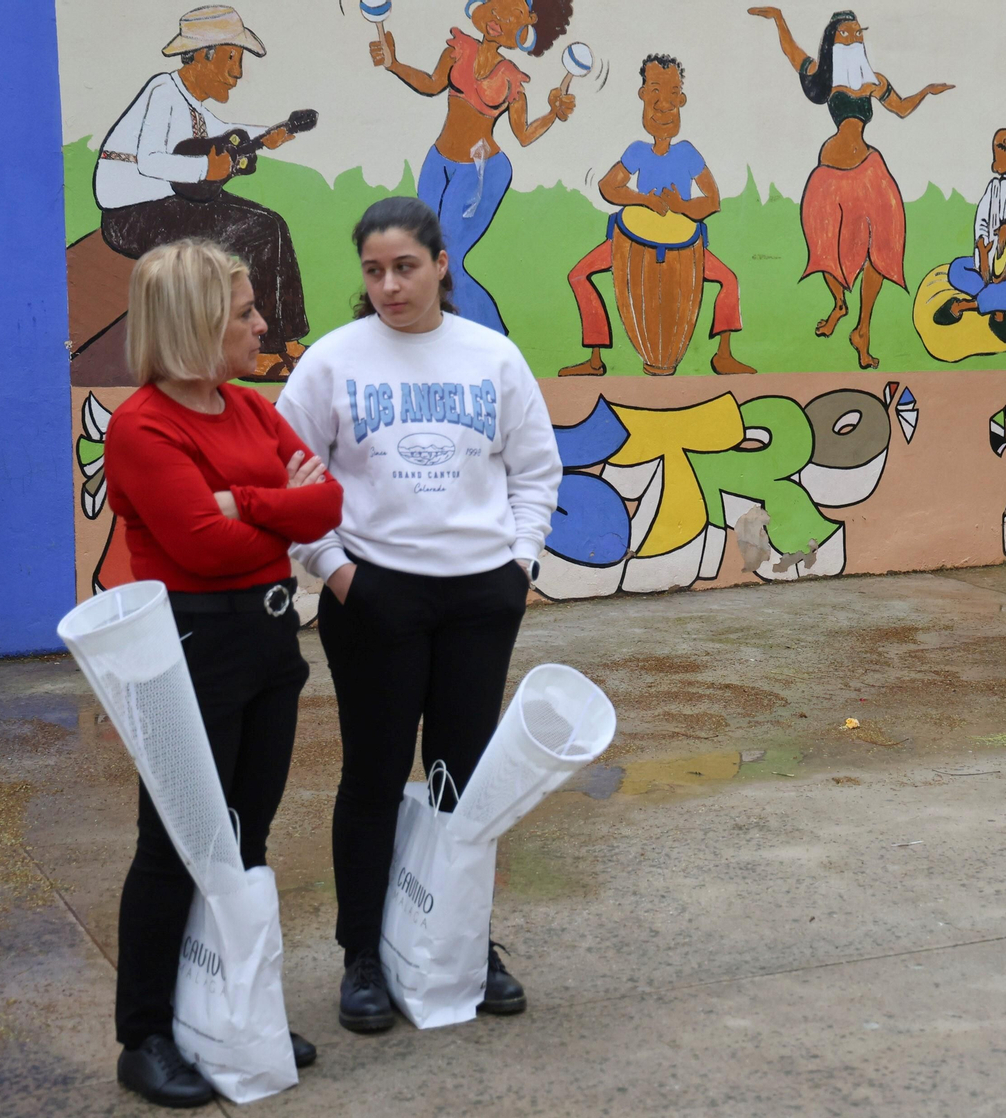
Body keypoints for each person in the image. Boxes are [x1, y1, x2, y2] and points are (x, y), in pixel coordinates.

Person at [277, 197, 562, 1032]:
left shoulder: (493, 357)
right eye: (374, 271)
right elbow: (286, 483)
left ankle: (463, 944)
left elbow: (536, 470)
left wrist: (520, 565)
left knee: (461, 781)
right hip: (374, 596)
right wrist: (336, 573)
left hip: (480, 596)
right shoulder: (332, 363)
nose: (390, 286)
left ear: (442, 262)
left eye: (405, 267)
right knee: (372, 775)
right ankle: (362, 954)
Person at [104, 240, 342, 1106]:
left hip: (271, 645)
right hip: (193, 653)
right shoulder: (144, 427)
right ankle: (147, 1035)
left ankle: (230, 1013)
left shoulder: (247, 408)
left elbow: (330, 502)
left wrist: (250, 505)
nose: (261, 323)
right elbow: (198, 547)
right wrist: (279, 511)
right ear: (198, 322)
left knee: (244, 843)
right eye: (244, 311)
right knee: (174, 847)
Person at [95, 6, 310, 379]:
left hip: (170, 202)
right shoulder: (163, 90)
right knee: (255, 233)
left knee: (274, 223)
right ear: (201, 56)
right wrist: (202, 169)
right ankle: (260, 352)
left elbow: (227, 127)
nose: (237, 73)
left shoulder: (191, 102)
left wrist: (267, 135)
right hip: (133, 214)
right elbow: (149, 160)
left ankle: (287, 340)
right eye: (232, 58)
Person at [749, 7, 952, 368]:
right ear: (833, 40)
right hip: (829, 175)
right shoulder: (823, 76)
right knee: (825, 247)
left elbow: (902, 109)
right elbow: (791, 52)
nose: (855, 38)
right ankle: (839, 305)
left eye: (859, 34)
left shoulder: (873, 81)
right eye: (847, 34)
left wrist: (926, 91)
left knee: (881, 247)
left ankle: (863, 328)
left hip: (869, 173)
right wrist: (778, 17)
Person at [370, 0, 576, 333]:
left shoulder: (510, 78)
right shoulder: (458, 49)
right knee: (423, 251)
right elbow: (431, 84)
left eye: (510, 18)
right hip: (438, 163)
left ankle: (493, 336)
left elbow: (523, 135)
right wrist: (393, 63)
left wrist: (554, 112)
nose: (497, 22)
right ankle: (441, 332)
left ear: (524, 31)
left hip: (481, 172)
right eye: (494, 10)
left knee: (446, 259)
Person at [560, 53, 755, 376]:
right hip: (629, 244)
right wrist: (642, 200)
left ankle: (723, 354)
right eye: (654, 93)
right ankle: (595, 360)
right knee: (578, 274)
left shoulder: (688, 153)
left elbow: (713, 200)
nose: (663, 105)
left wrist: (681, 207)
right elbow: (609, 187)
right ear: (642, 96)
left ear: (681, 99)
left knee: (729, 280)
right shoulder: (637, 151)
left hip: (687, 249)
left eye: (671, 95)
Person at [934, 105, 1006, 344]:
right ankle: (998, 310)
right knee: (957, 269)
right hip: (986, 266)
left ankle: (964, 306)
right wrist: (982, 251)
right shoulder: (994, 188)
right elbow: (981, 223)